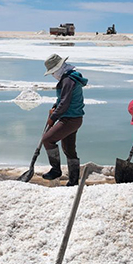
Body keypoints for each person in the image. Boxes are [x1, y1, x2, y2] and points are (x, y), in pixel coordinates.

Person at [41, 54, 89, 186]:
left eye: (53, 72)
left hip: (69, 119)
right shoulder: (69, 78)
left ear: (58, 68)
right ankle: (73, 181)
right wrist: (54, 107)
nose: (53, 75)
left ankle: (56, 170)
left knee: (47, 139)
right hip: (74, 118)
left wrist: (53, 118)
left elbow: (65, 103)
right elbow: (62, 100)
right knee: (68, 149)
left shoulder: (68, 80)